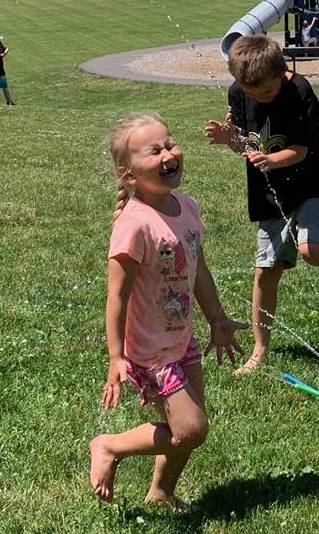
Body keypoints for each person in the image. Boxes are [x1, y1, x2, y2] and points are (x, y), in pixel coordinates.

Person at [89, 113, 246, 509]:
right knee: (191, 428)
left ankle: (161, 492)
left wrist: (218, 319)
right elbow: (116, 296)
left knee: (186, 428)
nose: (169, 153)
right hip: (151, 350)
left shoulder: (187, 208)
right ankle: (109, 446)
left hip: (181, 339)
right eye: (155, 150)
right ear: (128, 175)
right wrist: (115, 356)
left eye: (170, 144)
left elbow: (199, 270)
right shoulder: (134, 224)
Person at [205, 34, 319, 376]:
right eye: (252, 93)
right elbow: (247, 146)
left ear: (282, 72)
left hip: (314, 182)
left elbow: (299, 151)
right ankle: (259, 349)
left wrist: (270, 160)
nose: (260, 98)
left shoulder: (300, 92)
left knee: (311, 250)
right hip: (270, 193)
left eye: (267, 93)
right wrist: (232, 140)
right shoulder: (239, 91)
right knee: (265, 272)